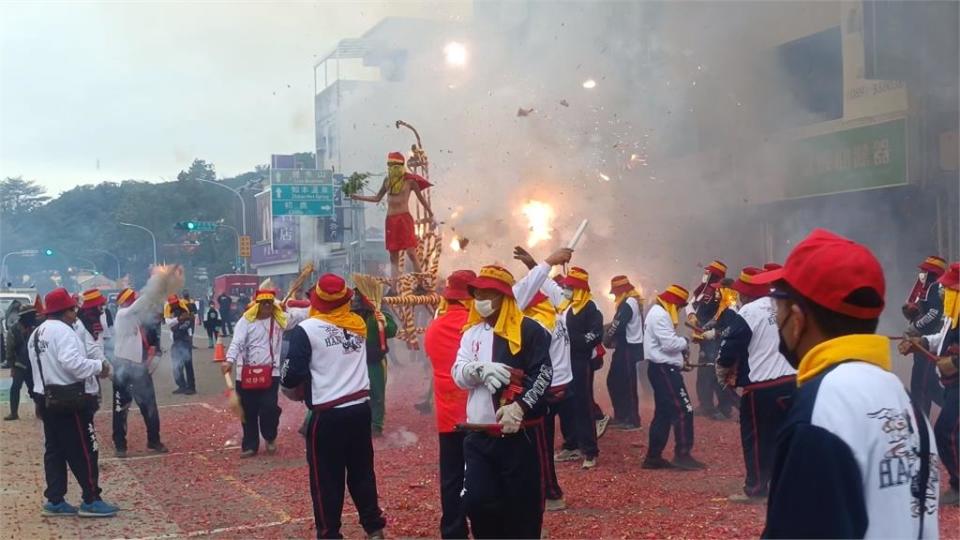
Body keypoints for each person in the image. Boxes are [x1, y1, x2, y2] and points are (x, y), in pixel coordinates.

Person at [757, 229, 939, 538]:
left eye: (779, 309)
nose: (778, 320)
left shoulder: (823, 409)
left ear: (798, 319)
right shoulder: (905, 401)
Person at [451, 264, 555, 539]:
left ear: (505, 297)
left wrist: (519, 407)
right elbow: (458, 373)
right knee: (479, 502)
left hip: (520, 436)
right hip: (479, 434)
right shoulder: (471, 333)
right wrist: (478, 370)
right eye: (478, 293)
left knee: (523, 509)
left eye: (488, 293)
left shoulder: (530, 330)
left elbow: (543, 375)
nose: (481, 300)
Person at [281, 274, 386, 539]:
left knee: (326, 480)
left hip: (328, 416)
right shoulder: (358, 324)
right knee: (363, 473)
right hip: (360, 411)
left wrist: (286, 377)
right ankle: (374, 529)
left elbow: (292, 375)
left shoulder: (307, 329)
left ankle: (329, 534)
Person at [28, 288, 118, 517]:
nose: (75, 312)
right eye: (72, 308)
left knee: (55, 450)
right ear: (64, 311)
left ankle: (55, 499)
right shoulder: (64, 332)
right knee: (85, 449)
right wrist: (100, 367)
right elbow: (73, 364)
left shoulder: (37, 333)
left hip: (45, 397)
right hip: (69, 400)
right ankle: (91, 499)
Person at [714, 267, 796, 503]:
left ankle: (757, 487)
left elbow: (731, 346)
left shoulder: (749, 312)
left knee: (757, 439)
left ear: (748, 294)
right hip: (793, 381)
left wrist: (722, 369)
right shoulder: (786, 305)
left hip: (762, 387)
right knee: (788, 436)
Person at [514, 247, 575, 510]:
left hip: (546, 389)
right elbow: (546, 284)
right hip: (561, 384)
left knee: (540, 444)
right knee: (544, 442)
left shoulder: (535, 324)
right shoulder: (557, 311)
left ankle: (550, 493)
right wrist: (534, 264)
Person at [226, 288, 308, 457]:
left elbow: (302, 315)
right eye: (263, 303)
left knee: (269, 408)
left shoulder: (280, 319)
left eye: (269, 303)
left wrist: (317, 304)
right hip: (246, 375)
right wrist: (229, 360)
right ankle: (250, 446)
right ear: (257, 304)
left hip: (271, 373)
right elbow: (237, 343)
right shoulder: (245, 321)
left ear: (273, 304)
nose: (266, 306)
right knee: (248, 411)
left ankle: (270, 437)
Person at [424, 270, 475, 538]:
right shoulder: (478, 326)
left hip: (447, 416)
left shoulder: (434, 327)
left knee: (451, 479)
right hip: (478, 416)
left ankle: (453, 531)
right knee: (480, 476)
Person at [903, 261, 959, 506]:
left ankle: (958, 485)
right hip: (951, 384)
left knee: (945, 432)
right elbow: (941, 337)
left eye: (949, 289)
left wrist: (956, 361)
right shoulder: (952, 315)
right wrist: (922, 341)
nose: (943, 291)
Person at [643, 284, 705, 470]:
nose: (678, 310)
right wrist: (685, 342)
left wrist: (679, 361)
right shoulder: (660, 315)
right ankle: (682, 454)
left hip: (662, 368)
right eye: (678, 306)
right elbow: (669, 344)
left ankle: (653, 457)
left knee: (663, 414)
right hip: (664, 371)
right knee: (684, 410)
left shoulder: (657, 312)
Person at [350, 152, 434, 280]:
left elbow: (421, 199)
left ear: (401, 165)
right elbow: (377, 198)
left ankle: (421, 283)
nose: (392, 168)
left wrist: (430, 213)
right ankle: (394, 289)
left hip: (404, 219)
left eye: (395, 165)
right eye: (390, 165)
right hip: (390, 221)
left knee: (411, 253)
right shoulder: (387, 181)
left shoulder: (410, 181)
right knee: (393, 257)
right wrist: (358, 197)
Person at [112, 282, 169, 458]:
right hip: (124, 366)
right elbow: (138, 305)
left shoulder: (136, 320)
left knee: (149, 406)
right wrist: (154, 289)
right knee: (121, 408)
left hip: (139, 367)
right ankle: (120, 445)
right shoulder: (122, 314)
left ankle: (153, 440)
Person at [555, 267, 603, 469]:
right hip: (563, 361)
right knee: (566, 404)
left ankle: (590, 451)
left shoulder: (590, 308)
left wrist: (573, 342)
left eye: (569, 286)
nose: (565, 289)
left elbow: (595, 335)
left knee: (583, 405)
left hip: (580, 362)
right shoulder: (564, 306)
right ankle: (571, 444)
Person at [688, 260, 735, 420]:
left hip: (717, 339)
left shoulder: (727, 295)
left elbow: (731, 320)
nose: (705, 274)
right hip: (704, 338)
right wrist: (692, 317)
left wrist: (715, 332)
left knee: (718, 374)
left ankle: (724, 408)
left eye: (708, 272)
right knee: (704, 372)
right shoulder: (703, 290)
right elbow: (692, 305)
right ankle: (705, 404)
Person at [902, 255, 947, 417]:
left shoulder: (935, 287)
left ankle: (922, 419)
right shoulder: (930, 287)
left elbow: (934, 313)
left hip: (928, 341)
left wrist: (915, 327)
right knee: (927, 384)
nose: (921, 273)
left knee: (922, 384)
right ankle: (926, 416)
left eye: (924, 271)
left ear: (932, 273)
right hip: (925, 341)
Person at [350, 288, 397, 437]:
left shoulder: (379, 310)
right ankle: (359, 423)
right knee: (355, 393)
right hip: (354, 361)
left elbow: (392, 331)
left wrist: (383, 320)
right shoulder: (351, 313)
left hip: (375, 361)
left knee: (377, 393)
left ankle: (376, 425)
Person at [604, 275, 644, 431]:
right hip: (623, 347)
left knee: (627, 384)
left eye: (615, 293)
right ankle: (621, 416)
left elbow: (618, 325)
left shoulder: (628, 303)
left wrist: (606, 338)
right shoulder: (630, 302)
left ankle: (633, 420)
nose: (614, 296)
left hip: (628, 349)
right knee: (614, 381)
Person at [4, 304, 39, 420]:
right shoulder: (14, 330)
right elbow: (9, 349)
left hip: (34, 364)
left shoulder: (37, 328)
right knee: (15, 388)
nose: (33, 317)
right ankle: (14, 413)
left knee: (35, 388)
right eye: (30, 315)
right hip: (20, 364)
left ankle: (40, 411)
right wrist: (12, 366)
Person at [165, 295, 196, 395]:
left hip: (185, 340)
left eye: (175, 302)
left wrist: (178, 326)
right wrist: (178, 320)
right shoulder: (169, 310)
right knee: (176, 365)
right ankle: (181, 385)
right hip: (176, 341)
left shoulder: (185, 309)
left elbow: (188, 323)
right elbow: (168, 323)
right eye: (172, 303)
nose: (174, 305)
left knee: (188, 364)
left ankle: (191, 387)